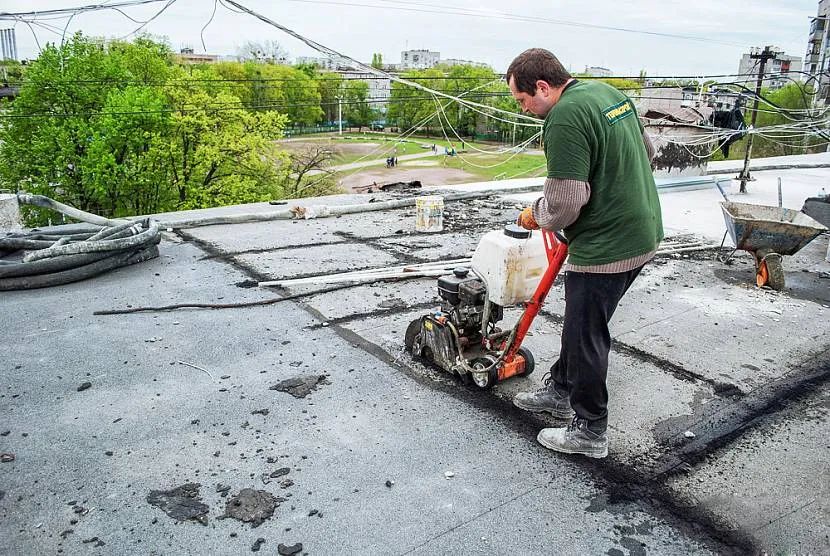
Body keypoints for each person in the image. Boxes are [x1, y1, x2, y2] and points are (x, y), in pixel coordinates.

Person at [506, 48, 663, 459]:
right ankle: (562, 389)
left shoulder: (563, 118)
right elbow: (647, 154)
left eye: (524, 102)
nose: (525, 111)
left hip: (608, 244)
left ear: (542, 87)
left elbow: (564, 205)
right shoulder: (606, 93)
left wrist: (534, 214)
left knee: (585, 333)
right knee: (581, 322)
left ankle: (590, 429)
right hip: (642, 228)